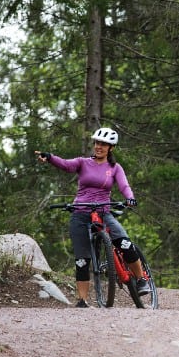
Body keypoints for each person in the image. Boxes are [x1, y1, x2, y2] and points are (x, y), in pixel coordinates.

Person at [36, 127, 150, 307]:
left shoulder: (114, 168)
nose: (99, 147)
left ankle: (141, 279)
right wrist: (50, 157)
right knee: (82, 259)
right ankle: (82, 300)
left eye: (104, 144)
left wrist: (130, 199)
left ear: (111, 147)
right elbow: (65, 164)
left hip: (104, 212)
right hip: (80, 213)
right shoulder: (82, 162)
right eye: (97, 143)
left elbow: (124, 186)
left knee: (125, 243)